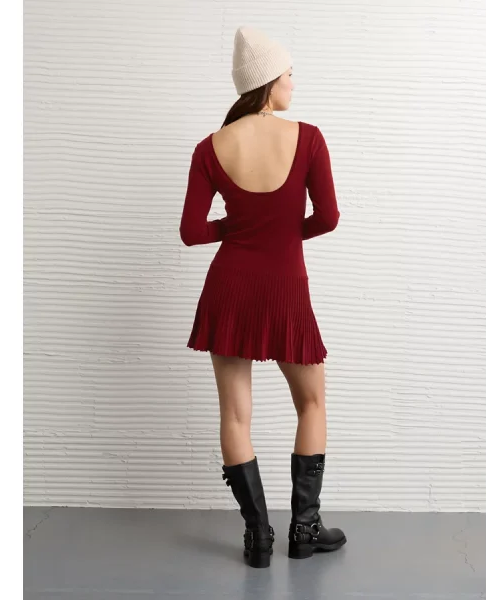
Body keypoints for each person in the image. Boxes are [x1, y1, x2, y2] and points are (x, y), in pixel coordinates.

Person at [179, 26, 346, 568]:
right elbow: (328, 218)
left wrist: (237, 228)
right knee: (312, 402)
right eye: (289, 75)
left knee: (235, 415)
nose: (294, 83)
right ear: (269, 82)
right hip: (285, 289)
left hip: (228, 289)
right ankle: (305, 529)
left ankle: (258, 538)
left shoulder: (210, 147)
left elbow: (192, 232)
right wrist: (282, 232)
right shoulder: (309, 138)